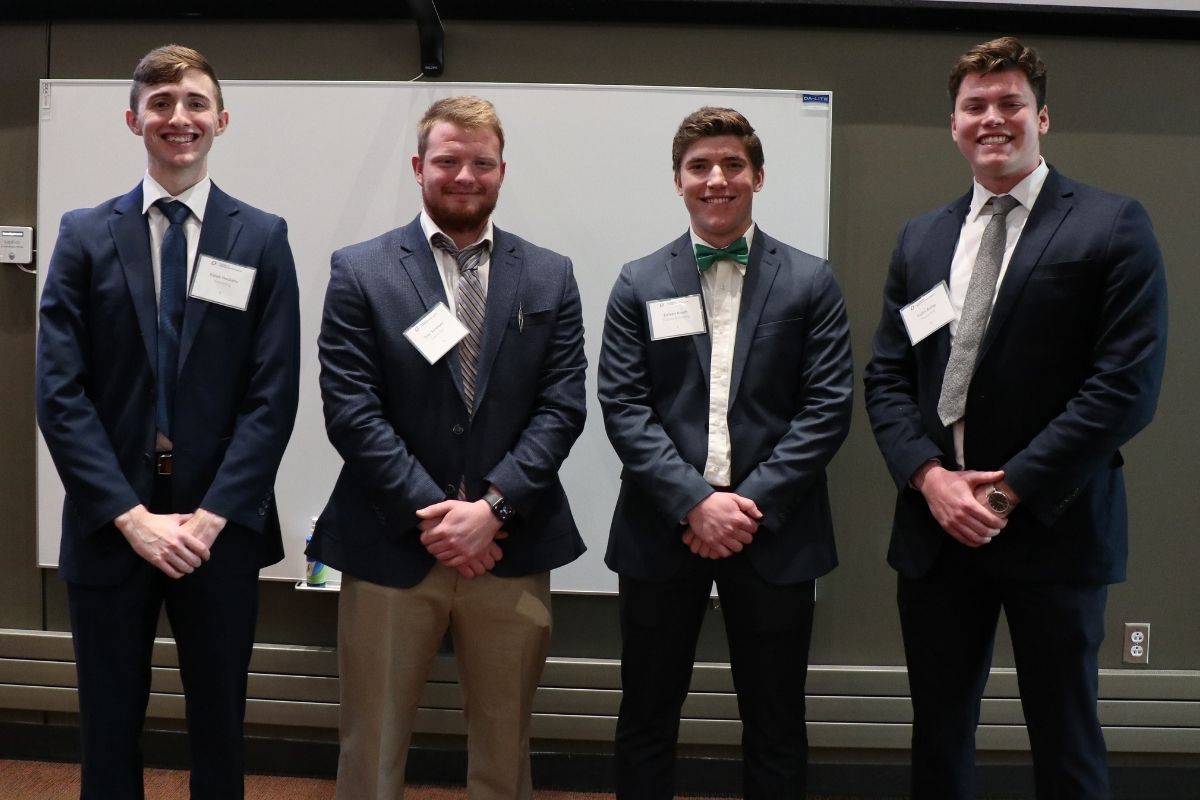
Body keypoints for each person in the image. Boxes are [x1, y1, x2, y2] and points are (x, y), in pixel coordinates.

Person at [863, 36, 1168, 799]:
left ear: (1043, 118)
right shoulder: (922, 237)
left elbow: (1123, 388)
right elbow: (888, 377)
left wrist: (1007, 492)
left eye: (1009, 104)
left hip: (1053, 529)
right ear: (955, 124)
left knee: (1066, 743)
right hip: (937, 531)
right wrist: (931, 480)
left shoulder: (1111, 224)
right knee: (938, 737)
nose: (991, 118)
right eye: (975, 106)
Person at [35, 44, 301, 799]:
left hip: (220, 530)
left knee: (220, 729)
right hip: (110, 526)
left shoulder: (263, 237)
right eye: (159, 104)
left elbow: (271, 394)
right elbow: (61, 392)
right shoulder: (85, 235)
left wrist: (212, 517)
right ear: (133, 120)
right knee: (108, 729)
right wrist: (129, 516)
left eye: (192, 102)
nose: (176, 118)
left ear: (220, 118)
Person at [309, 95, 587, 799]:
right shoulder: (361, 269)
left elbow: (561, 408)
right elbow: (350, 408)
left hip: (510, 545)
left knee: (505, 740)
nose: (466, 174)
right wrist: (440, 515)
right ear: (418, 166)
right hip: (389, 542)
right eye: (448, 160)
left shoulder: (549, 274)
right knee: (371, 744)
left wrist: (491, 509)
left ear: (501, 170)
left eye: (482, 162)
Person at [597, 106, 854, 799]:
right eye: (700, 167)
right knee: (647, 715)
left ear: (759, 176)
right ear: (678, 181)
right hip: (661, 528)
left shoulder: (811, 282)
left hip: (773, 531)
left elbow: (827, 408)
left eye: (732, 165)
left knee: (775, 723)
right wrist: (693, 502)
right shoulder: (638, 282)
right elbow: (624, 406)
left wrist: (745, 506)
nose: (717, 179)